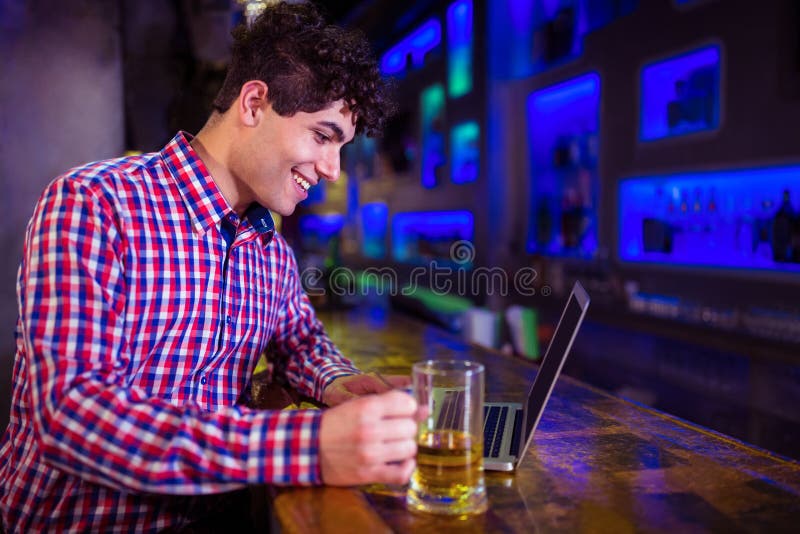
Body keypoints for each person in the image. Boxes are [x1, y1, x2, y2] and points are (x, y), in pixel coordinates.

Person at [0, 2, 419, 531]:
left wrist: (339, 383)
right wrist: (307, 446)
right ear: (253, 103)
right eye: (323, 136)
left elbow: (301, 342)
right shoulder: (94, 203)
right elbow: (70, 417)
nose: (334, 170)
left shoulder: (269, 246)